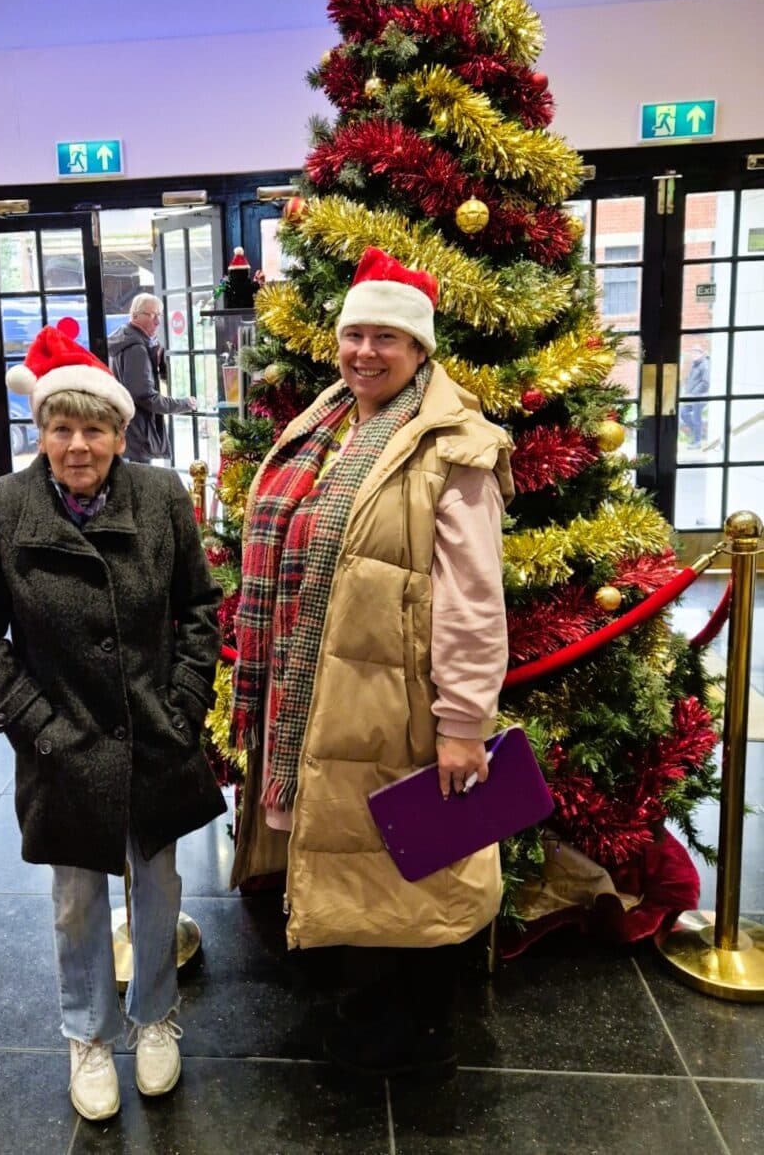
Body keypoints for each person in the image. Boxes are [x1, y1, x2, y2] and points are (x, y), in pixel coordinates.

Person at [229, 247, 513, 1081]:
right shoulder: (325, 420)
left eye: (386, 337)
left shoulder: (455, 446)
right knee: (359, 853)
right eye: (354, 333)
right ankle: (370, 1005)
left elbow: (472, 598)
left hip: (399, 700)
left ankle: (416, 1030)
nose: (364, 352)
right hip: (320, 690)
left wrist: (465, 723)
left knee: (411, 862)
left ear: (420, 348)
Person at [0, 325, 224, 1123]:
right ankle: (89, 1033)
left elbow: (198, 609)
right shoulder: (3, 506)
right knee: (76, 900)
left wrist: (182, 703)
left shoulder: (162, 497)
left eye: (94, 427)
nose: (78, 445)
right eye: (61, 428)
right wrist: (33, 722)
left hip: (154, 732)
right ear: (41, 431)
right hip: (61, 743)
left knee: (158, 883)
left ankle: (155, 1015)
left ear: (119, 430)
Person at [107, 294, 196, 462]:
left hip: (128, 433)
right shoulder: (136, 349)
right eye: (152, 315)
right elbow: (144, 396)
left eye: (159, 315)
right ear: (135, 316)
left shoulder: (126, 340)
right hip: (137, 435)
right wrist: (184, 403)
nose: (158, 322)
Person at [680, 343, 710, 447]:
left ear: (700, 353)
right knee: (683, 413)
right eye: (692, 353)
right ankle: (699, 433)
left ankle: (697, 442)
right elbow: (692, 380)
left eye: (695, 353)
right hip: (691, 396)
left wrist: (694, 392)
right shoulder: (695, 364)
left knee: (697, 417)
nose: (693, 355)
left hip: (700, 397)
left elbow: (705, 383)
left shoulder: (705, 365)